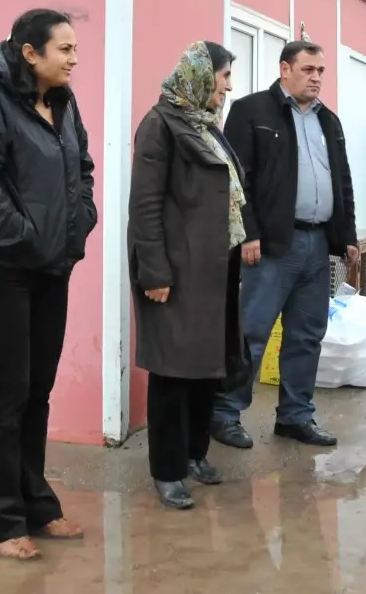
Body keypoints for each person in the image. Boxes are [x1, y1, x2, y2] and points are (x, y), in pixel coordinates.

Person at [0, 9, 98, 559]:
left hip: (49, 267)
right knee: (6, 392)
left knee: (37, 389)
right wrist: (26, 237)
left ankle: (36, 504)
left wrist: (77, 221)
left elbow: (80, 169)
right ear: (29, 52)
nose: (74, 58)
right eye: (64, 49)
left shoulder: (62, 102)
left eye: (75, 48)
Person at [210, 40, 358, 449]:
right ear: (285, 69)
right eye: (308, 69)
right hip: (273, 244)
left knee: (308, 333)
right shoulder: (253, 111)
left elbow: (341, 180)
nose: (316, 78)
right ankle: (225, 413)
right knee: (252, 332)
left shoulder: (330, 120)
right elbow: (236, 180)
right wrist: (248, 233)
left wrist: (347, 236)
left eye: (321, 71)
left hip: (317, 243)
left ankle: (295, 416)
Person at [128, 41, 249, 510]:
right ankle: (167, 470)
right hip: (177, 271)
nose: (228, 86)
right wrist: (154, 271)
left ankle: (196, 454)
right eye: (223, 77)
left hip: (213, 269)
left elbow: (232, 191)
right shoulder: (160, 126)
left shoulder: (204, 126)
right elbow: (146, 205)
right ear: (200, 77)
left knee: (205, 368)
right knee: (173, 372)